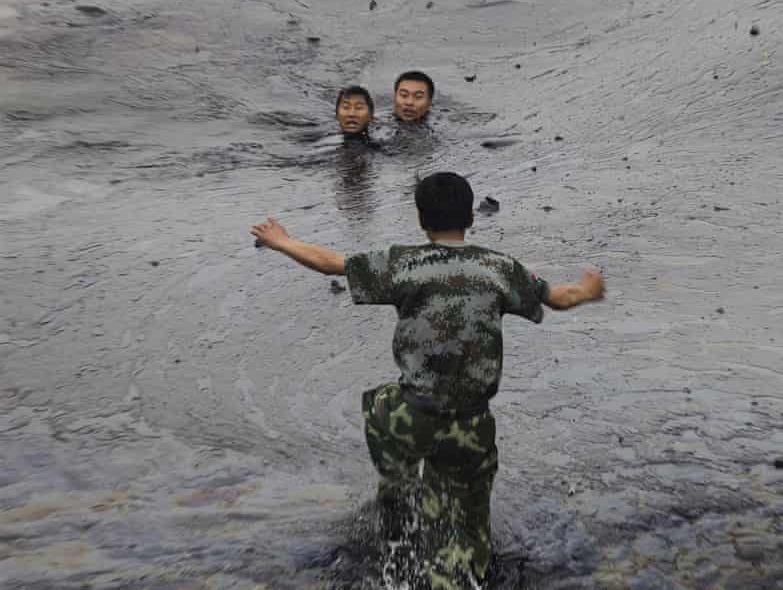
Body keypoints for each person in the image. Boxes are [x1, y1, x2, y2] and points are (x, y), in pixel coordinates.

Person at [250, 172, 605, 588]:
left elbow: (333, 263)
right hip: (471, 425)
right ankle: (459, 571)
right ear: (471, 217)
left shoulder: (403, 264)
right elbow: (557, 298)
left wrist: (283, 241)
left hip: (410, 415)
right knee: (466, 523)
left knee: (381, 403)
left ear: (421, 220)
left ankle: (397, 500)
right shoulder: (500, 268)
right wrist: (587, 291)